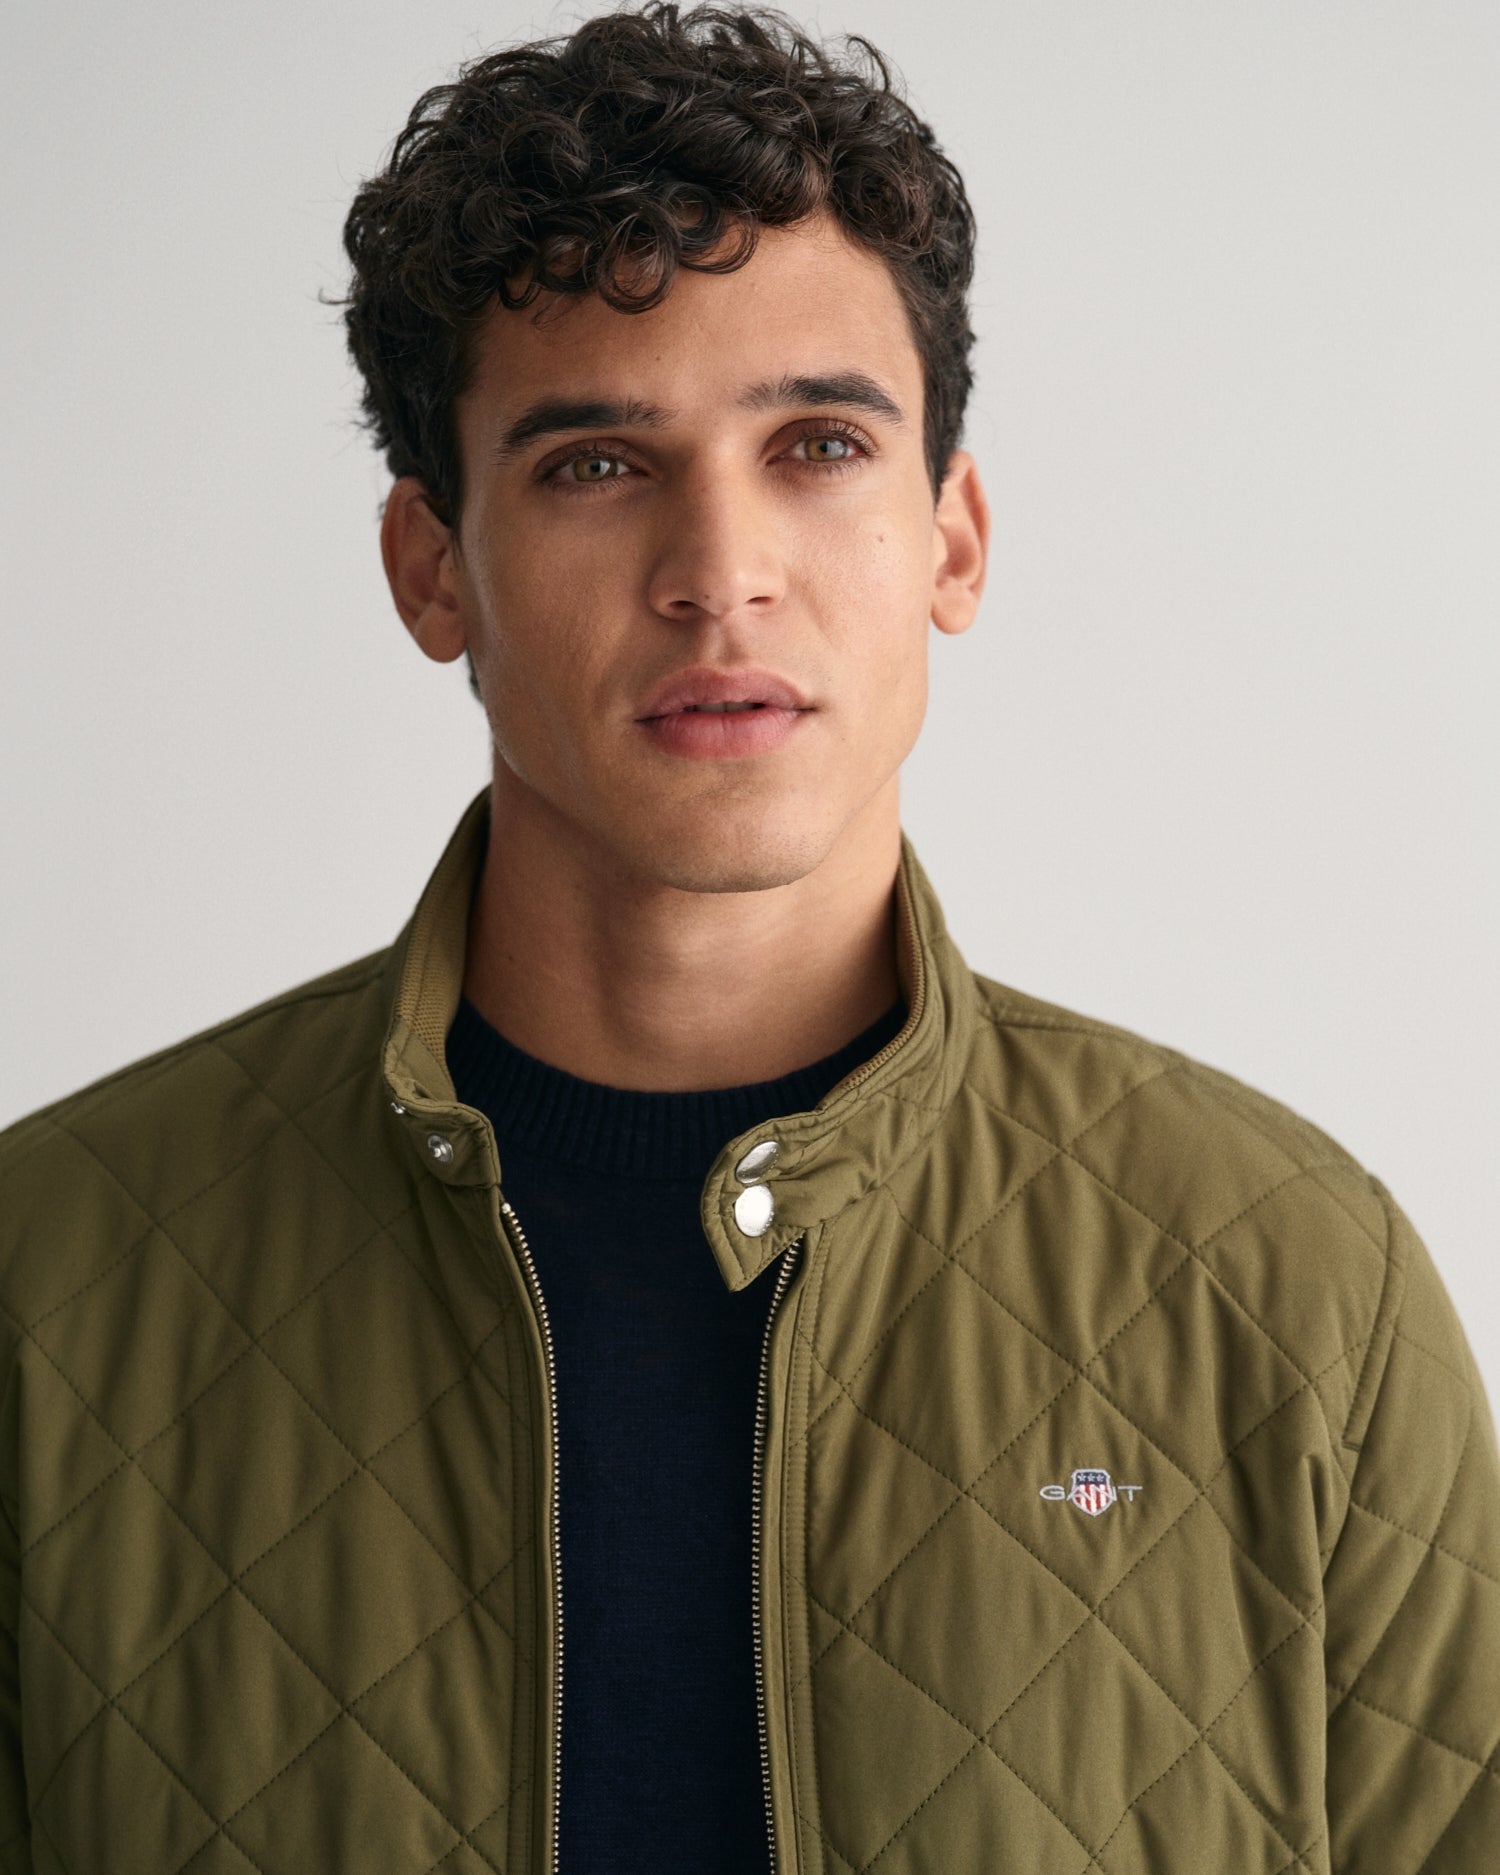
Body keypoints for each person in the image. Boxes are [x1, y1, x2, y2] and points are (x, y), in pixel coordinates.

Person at [1, 4, 1495, 1870]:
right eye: (595, 464)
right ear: (432, 568)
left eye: (818, 444)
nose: (721, 573)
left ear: (952, 539)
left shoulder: (1295, 1289)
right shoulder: (48, 1291)